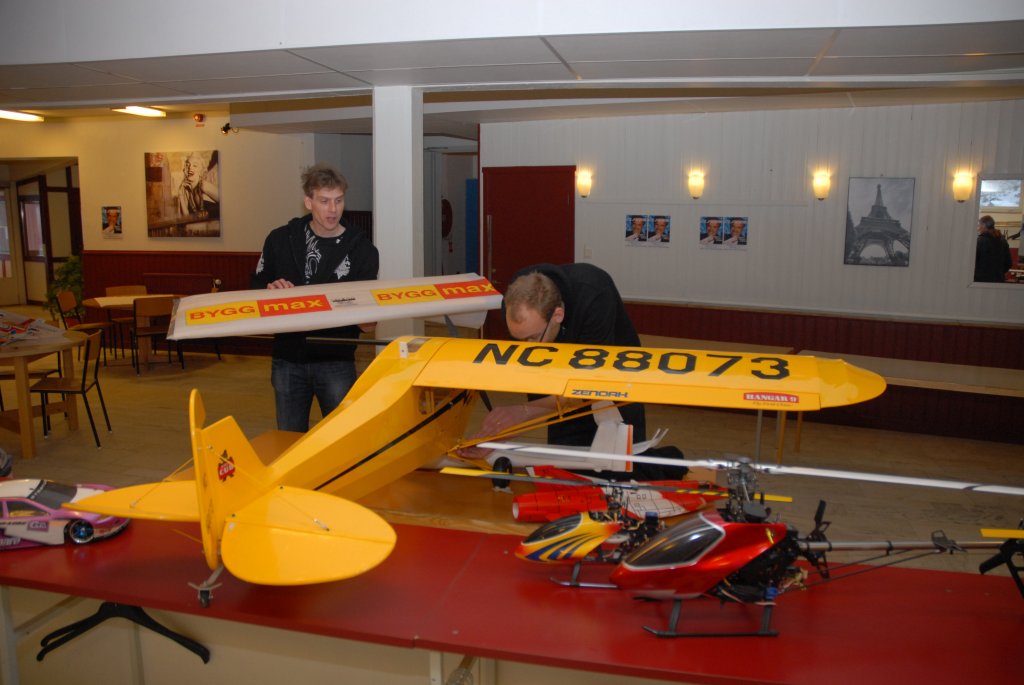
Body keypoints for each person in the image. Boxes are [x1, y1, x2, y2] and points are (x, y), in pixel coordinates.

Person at [251, 163, 379, 432]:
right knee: (289, 439)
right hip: (287, 358)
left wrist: (365, 314)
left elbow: (369, 323)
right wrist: (270, 291)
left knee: (341, 438)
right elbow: (256, 288)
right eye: (324, 201)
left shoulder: (362, 250)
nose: (333, 209)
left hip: (336, 360)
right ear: (308, 202)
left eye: (339, 200)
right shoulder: (279, 240)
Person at [465, 263, 646, 452]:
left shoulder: (595, 296)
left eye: (533, 338)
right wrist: (500, 433)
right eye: (520, 340)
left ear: (558, 315)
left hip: (615, 381)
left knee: (620, 460)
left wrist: (524, 412)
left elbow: (590, 387)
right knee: (563, 459)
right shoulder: (515, 304)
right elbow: (538, 390)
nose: (528, 348)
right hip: (560, 380)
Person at [177, 151, 220, 218]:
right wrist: (180, 194)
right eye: (188, 165)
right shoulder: (187, 190)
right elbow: (186, 218)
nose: (190, 168)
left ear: (201, 171)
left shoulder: (204, 185)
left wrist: (208, 213)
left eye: (195, 165)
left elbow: (226, 203)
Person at [974, 215, 1010, 282]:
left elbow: (973, 262)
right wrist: (999, 272)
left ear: (984, 225)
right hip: (998, 280)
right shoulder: (1003, 241)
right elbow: (1008, 263)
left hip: (981, 281)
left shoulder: (980, 241)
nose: (979, 228)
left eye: (979, 225)